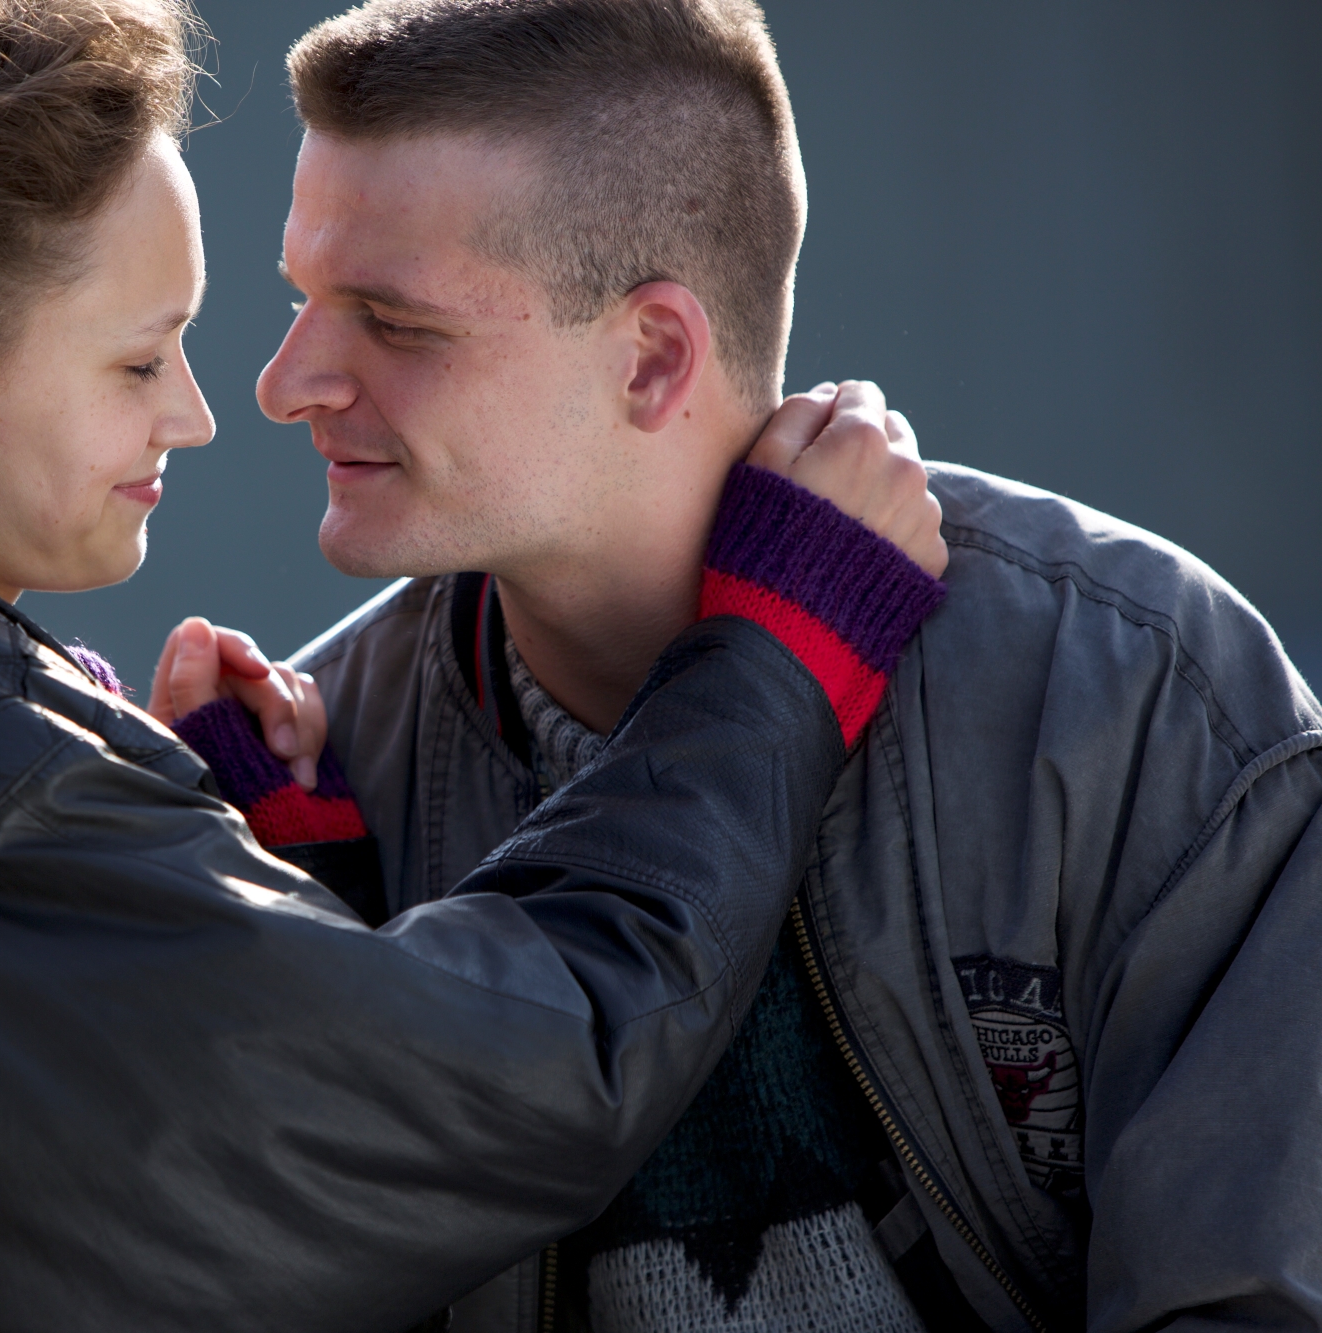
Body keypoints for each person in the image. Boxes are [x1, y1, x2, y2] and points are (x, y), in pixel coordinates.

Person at [0, 1, 950, 1330]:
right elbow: (536, 1075)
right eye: (140, 359)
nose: (207, 412)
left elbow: (153, 1218)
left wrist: (272, 893)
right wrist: (777, 649)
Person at [192, 0, 1322, 1329]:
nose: (283, 382)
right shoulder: (313, 783)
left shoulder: (1132, 703)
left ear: (655, 356)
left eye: (392, 319)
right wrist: (273, 959)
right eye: (299, 300)